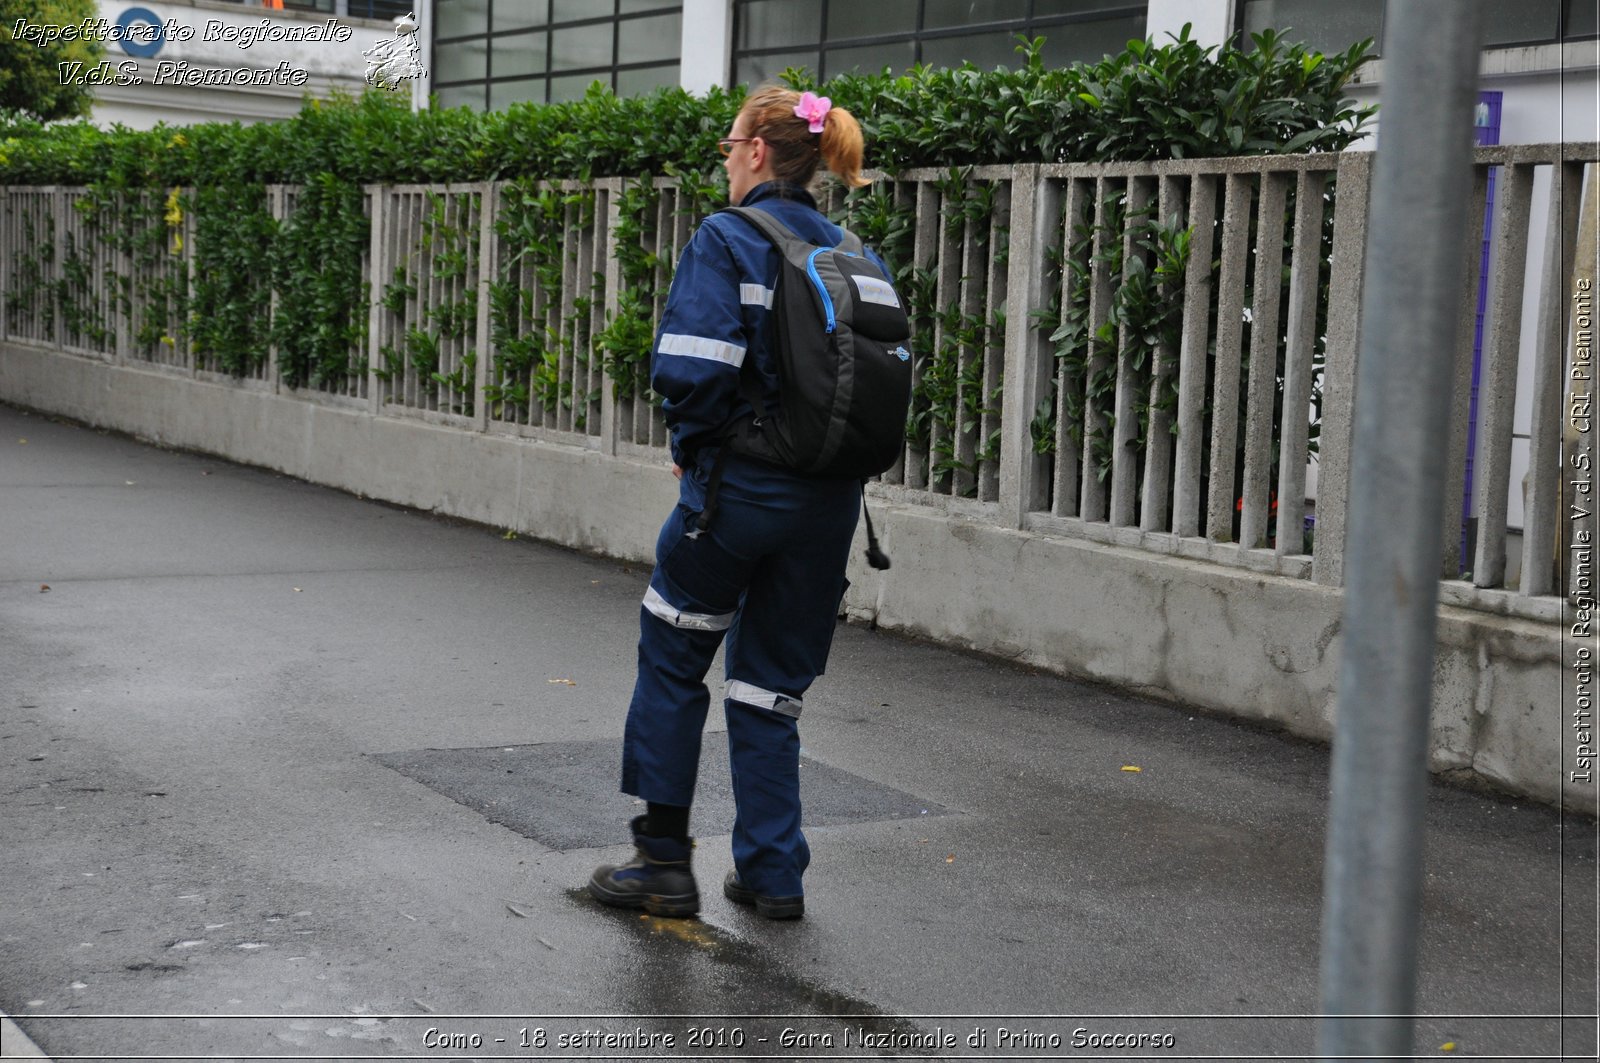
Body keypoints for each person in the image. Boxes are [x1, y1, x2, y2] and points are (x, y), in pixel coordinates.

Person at [587, 86, 890, 921]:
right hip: (828, 509)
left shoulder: (727, 238)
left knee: (675, 655)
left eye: (729, 145)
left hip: (736, 499)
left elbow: (689, 368)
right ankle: (771, 873)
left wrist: (696, 452)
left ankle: (661, 862)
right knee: (769, 690)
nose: (724, 160)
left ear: (759, 151)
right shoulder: (853, 253)